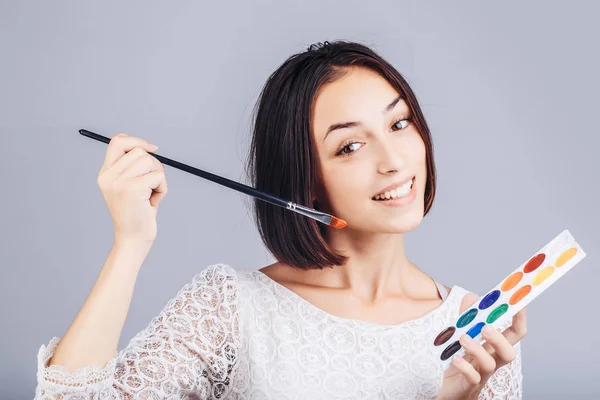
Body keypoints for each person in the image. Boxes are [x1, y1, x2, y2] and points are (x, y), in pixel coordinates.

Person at [35, 40, 526, 399]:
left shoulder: (478, 333)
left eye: (399, 124)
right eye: (350, 145)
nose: (394, 159)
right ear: (304, 179)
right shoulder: (229, 308)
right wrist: (130, 243)